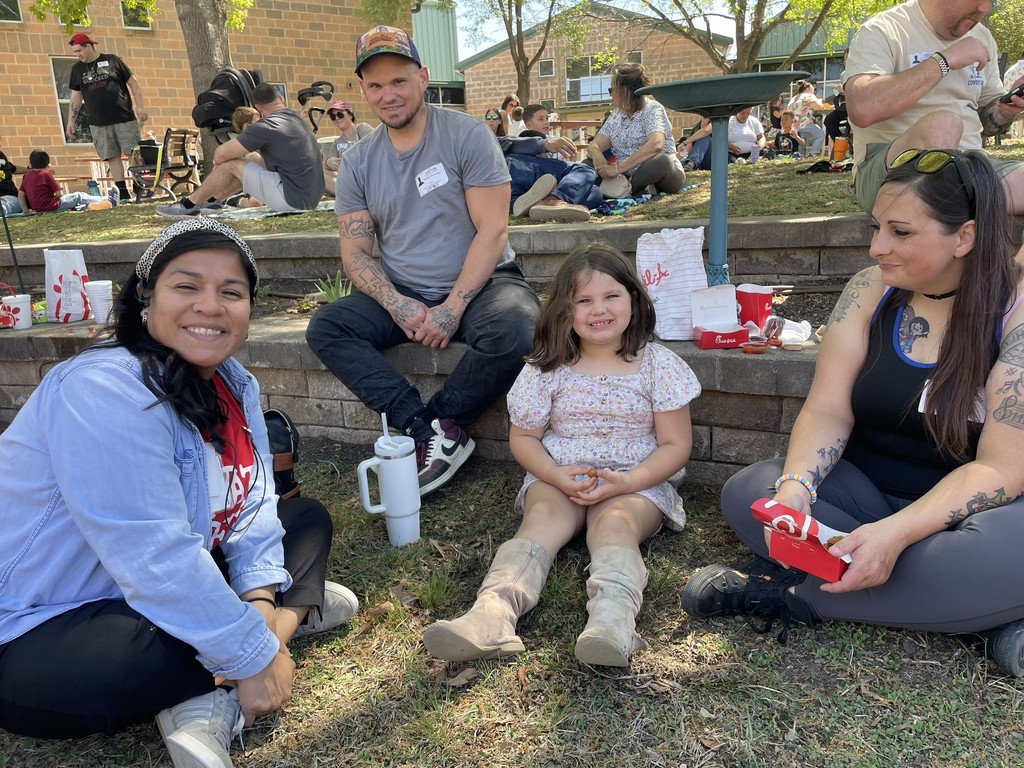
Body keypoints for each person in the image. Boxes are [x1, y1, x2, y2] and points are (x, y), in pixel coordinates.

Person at [0, 218, 359, 766]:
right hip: (41, 621)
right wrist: (254, 654)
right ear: (146, 300)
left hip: (148, 588)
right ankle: (271, 639)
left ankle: (262, 636)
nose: (210, 306)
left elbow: (255, 503)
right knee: (112, 669)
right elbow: (152, 555)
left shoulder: (235, 384)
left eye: (231, 292)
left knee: (303, 517)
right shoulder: (103, 388)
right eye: (187, 286)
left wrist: (260, 603)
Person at [681, 149, 1024, 677]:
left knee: (1008, 555)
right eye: (876, 227)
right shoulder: (870, 288)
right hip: (861, 498)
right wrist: (795, 490)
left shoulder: (1016, 310)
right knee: (751, 490)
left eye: (901, 232)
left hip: (971, 521)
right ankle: (975, 614)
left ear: (965, 236)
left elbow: (1001, 468)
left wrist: (896, 535)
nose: (876, 246)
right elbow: (827, 409)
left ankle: (796, 594)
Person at [422, 243, 700, 667]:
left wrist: (628, 481)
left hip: (634, 481)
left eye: (611, 296)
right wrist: (552, 474)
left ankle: (612, 623)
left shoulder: (658, 365)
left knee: (614, 526)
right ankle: (491, 615)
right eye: (583, 301)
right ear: (564, 312)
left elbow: (676, 446)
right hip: (559, 477)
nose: (599, 309)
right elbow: (525, 439)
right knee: (540, 524)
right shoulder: (546, 368)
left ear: (634, 299)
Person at [306, 26, 540, 497]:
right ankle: (421, 426)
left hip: (484, 283)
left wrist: (453, 306)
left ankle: (442, 421)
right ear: (363, 91)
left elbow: (493, 231)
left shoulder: (467, 135)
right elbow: (354, 249)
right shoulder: (357, 162)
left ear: (423, 77)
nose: (388, 95)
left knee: (519, 328)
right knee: (328, 327)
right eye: (375, 85)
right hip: (403, 289)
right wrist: (396, 304)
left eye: (399, 80)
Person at [844, 0, 1024, 215]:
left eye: (990, 1)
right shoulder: (884, 29)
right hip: (891, 170)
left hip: (971, 167)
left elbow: (987, 122)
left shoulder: (982, 37)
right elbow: (862, 108)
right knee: (943, 126)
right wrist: (944, 61)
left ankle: (959, 201)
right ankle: (970, 202)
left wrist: (1007, 109)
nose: (984, 9)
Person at [156, 82, 324, 217]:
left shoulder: (266, 126)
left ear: (258, 107)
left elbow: (221, 154)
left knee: (231, 163)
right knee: (249, 159)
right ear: (280, 98)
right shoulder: (297, 119)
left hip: (292, 200)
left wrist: (221, 164)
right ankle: (214, 201)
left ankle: (189, 205)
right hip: (311, 197)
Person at [66, 32, 147, 203]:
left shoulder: (112, 60)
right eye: (74, 52)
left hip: (124, 117)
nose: (77, 54)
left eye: (79, 50)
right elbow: (76, 98)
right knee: (112, 156)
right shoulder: (77, 69)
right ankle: (123, 193)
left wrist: (140, 107)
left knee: (134, 153)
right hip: (98, 122)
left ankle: (139, 188)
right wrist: (70, 121)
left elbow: (134, 84)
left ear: (89, 46)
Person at [588, 62, 686, 195]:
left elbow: (656, 144)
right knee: (587, 163)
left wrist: (618, 168)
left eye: (612, 89)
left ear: (625, 91)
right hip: (625, 174)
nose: (610, 94)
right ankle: (631, 189)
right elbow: (595, 144)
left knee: (662, 161)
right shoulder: (617, 114)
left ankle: (623, 190)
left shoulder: (653, 109)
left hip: (661, 172)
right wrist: (596, 153)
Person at [17, 149, 117, 212]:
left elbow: (21, 195)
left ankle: (93, 206)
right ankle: (108, 199)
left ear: (30, 164)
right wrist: (57, 199)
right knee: (78, 196)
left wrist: (25, 210)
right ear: (48, 165)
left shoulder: (26, 176)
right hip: (51, 206)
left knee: (75, 204)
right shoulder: (46, 174)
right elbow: (59, 194)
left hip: (38, 208)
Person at [320, 100, 375, 197]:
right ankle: (350, 195)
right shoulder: (337, 143)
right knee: (319, 172)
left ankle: (352, 195)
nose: (336, 118)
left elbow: (374, 152)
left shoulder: (362, 129)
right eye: (333, 116)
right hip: (349, 180)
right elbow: (328, 167)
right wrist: (328, 162)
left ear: (350, 115)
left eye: (340, 114)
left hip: (369, 177)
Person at [786, 80, 829, 158]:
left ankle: (799, 155)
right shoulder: (809, 96)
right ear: (808, 89)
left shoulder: (794, 98)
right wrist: (820, 102)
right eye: (813, 89)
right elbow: (819, 107)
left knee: (801, 140)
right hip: (804, 124)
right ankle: (813, 154)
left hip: (794, 127)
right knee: (820, 135)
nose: (814, 92)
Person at [0, 138, 21, 215]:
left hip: (8, 197)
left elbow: (14, 168)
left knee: (4, 207)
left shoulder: (3, 159)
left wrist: (34, 169)